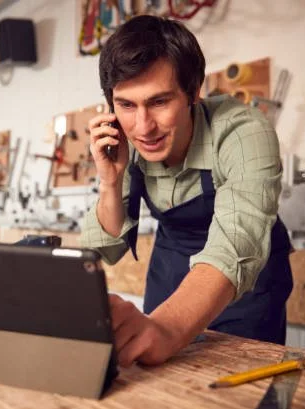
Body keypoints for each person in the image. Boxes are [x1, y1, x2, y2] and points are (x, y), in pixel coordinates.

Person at [80, 15, 293, 368]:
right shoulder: (125, 139)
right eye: (127, 105)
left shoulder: (242, 132)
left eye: (160, 102)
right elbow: (103, 248)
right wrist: (110, 181)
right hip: (171, 271)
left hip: (245, 285)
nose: (143, 127)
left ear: (194, 91)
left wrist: (164, 329)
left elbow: (235, 245)